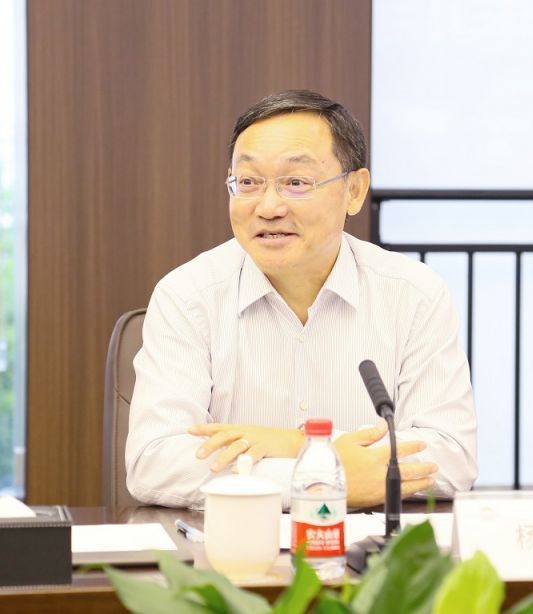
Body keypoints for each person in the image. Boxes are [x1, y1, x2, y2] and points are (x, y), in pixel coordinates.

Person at [126, 90, 477, 509]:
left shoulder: (413, 294)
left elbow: (451, 457)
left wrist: (292, 443)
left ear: (354, 191)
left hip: (370, 546)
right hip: (234, 544)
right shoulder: (187, 297)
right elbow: (155, 461)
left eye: (296, 183)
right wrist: (324, 474)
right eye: (248, 183)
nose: (268, 207)